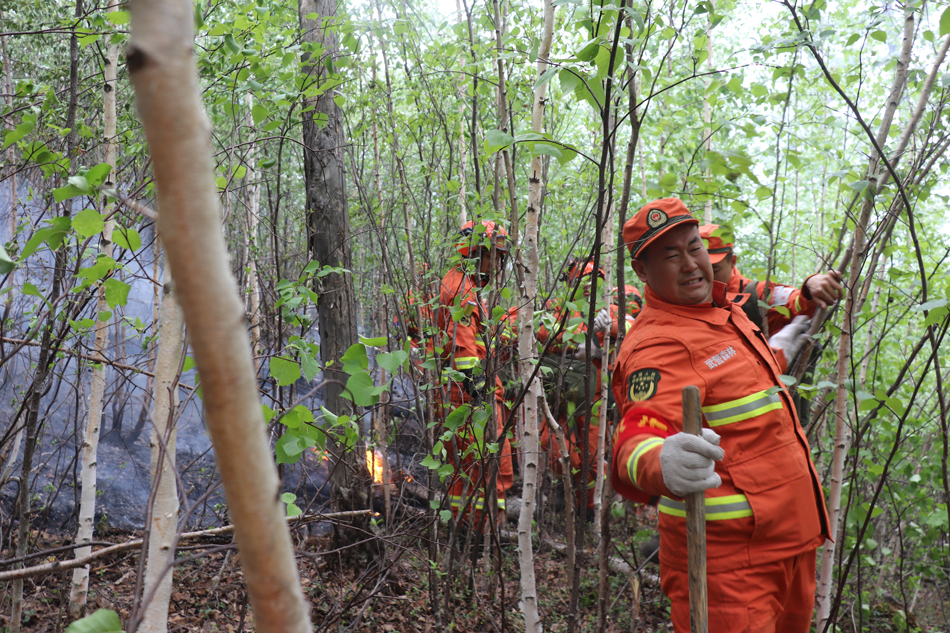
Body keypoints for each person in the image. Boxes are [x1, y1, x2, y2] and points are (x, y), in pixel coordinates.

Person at [610, 198, 829, 632]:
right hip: (729, 563)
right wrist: (660, 460)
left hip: (790, 539)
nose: (691, 264)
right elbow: (636, 435)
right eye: (671, 255)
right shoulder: (659, 343)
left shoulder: (725, 313)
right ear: (642, 271)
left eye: (694, 248)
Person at [436, 219, 514, 526]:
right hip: (469, 397)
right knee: (493, 468)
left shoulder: (458, 283)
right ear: (474, 253)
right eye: (493, 256)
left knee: (464, 472)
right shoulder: (461, 289)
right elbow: (465, 351)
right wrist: (481, 394)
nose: (496, 265)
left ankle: (466, 531)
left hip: (461, 394)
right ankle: (483, 534)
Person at [537, 257, 619, 513]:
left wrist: (603, 341)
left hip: (595, 400)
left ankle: (592, 511)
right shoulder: (559, 309)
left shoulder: (611, 310)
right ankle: (568, 487)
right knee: (550, 444)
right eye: (582, 280)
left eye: (595, 280)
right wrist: (573, 345)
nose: (588, 286)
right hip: (562, 396)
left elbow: (632, 330)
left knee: (594, 458)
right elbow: (541, 337)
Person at [699, 223, 843, 337]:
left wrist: (810, 289)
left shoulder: (756, 296)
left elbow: (795, 302)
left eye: (714, 269)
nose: (706, 276)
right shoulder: (680, 299)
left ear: (732, 262)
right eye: (698, 267)